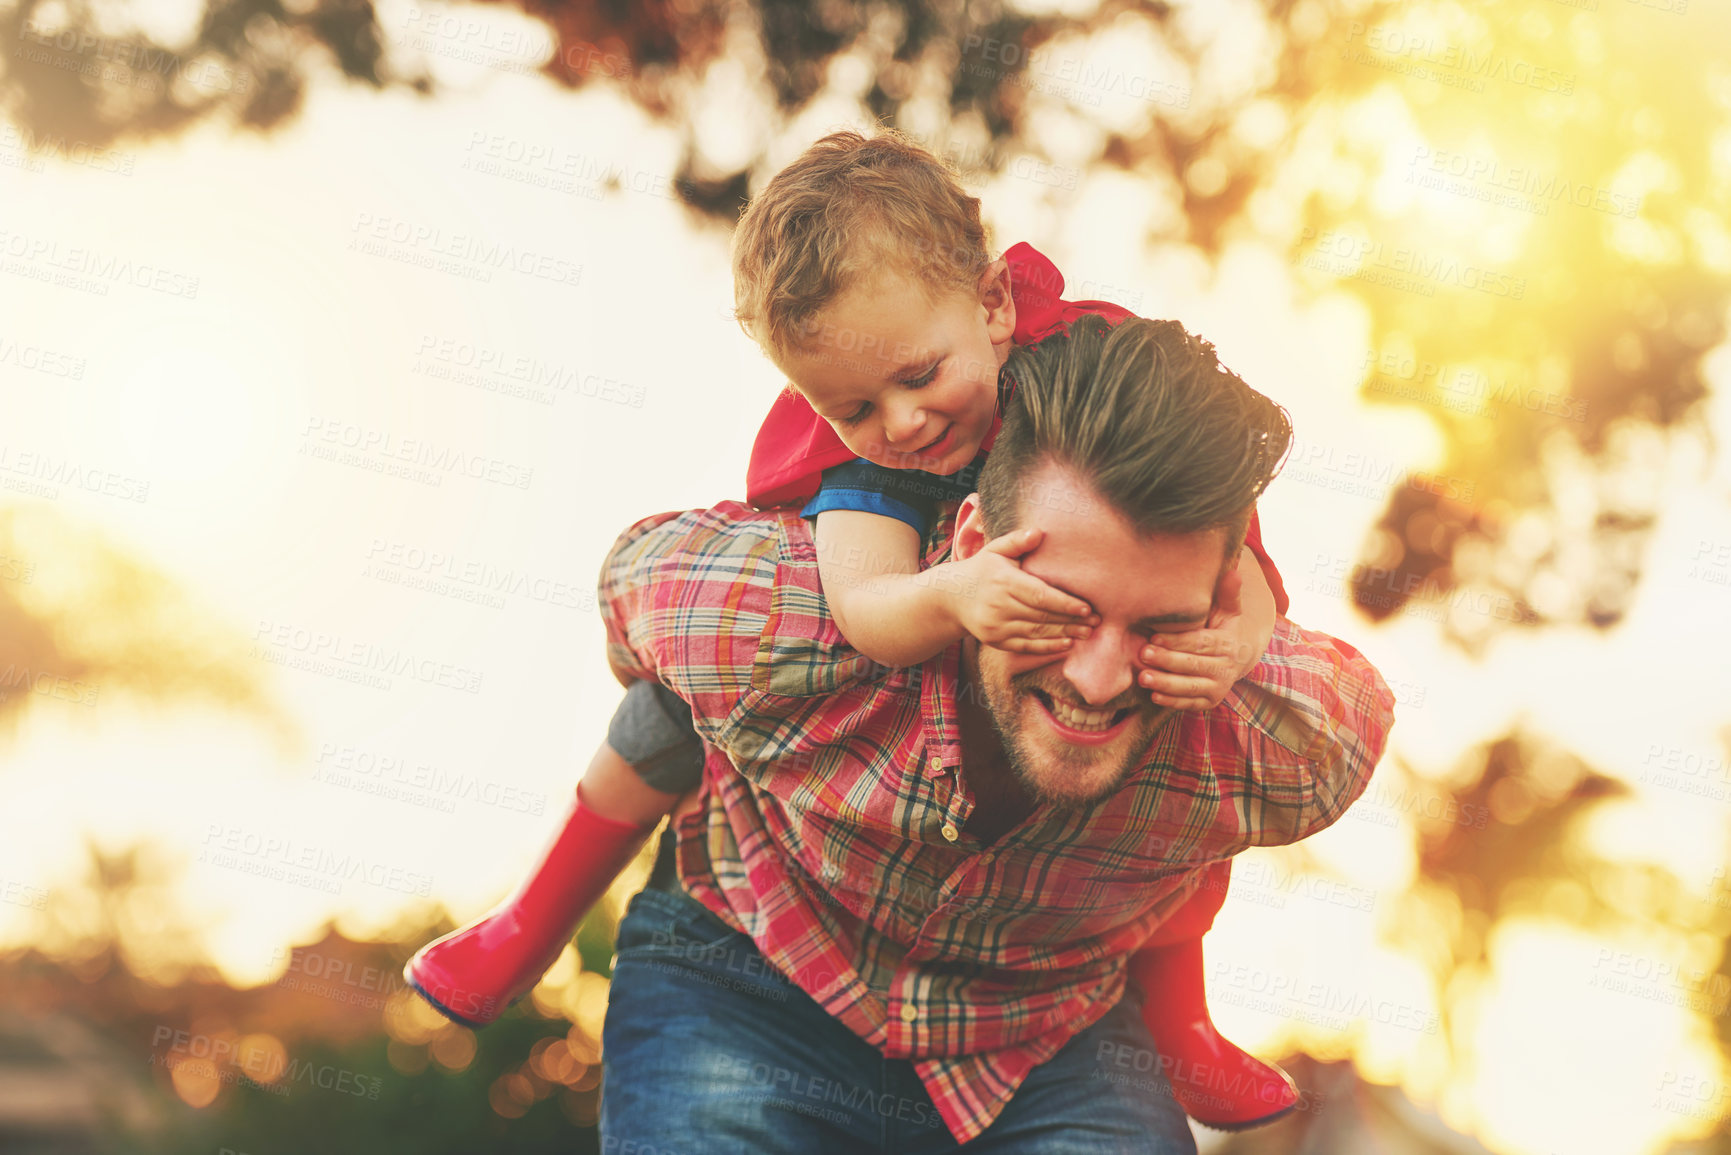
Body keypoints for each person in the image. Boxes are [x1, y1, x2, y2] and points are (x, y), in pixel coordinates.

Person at [406, 130, 1295, 1128]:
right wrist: (954, 594)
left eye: (921, 375)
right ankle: (533, 920)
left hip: (1050, 832)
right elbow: (867, 609)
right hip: (821, 739)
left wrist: (1240, 634)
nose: (902, 423)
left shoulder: (1102, 376)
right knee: (668, 711)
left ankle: (1184, 1018)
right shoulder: (867, 460)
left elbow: (1235, 547)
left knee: (1183, 747)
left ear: (995, 304)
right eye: (854, 405)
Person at [595, 314, 1397, 1152]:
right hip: (750, 964)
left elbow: (1356, 717)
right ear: (975, 546)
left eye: (1159, 627)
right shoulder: (781, 624)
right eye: (1060, 610)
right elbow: (629, 589)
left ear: (1222, 598)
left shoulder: (1272, 738)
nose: (1097, 681)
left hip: (1046, 1028)